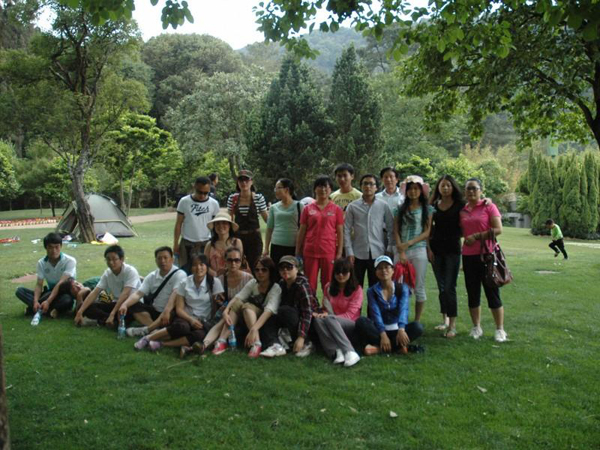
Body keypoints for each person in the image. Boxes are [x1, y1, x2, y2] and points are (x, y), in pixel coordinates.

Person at [134, 253, 224, 353]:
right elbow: (179, 309)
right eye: (195, 265)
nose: (198, 268)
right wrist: (191, 320)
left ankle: (161, 344)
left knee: (200, 335)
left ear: (207, 267)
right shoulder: (184, 283)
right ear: (191, 267)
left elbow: (217, 306)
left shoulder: (214, 282)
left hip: (203, 321)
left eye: (202, 264)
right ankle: (147, 338)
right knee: (182, 328)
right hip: (186, 316)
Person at [460, 178, 508, 342]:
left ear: (480, 190)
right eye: (468, 188)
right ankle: (476, 327)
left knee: (492, 292)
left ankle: (500, 329)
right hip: (468, 256)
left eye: (474, 188)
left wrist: (477, 236)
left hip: (487, 255)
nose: (471, 191)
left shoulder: (489, 206)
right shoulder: (463, 210)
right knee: (472, 293)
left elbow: (498, 229)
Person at [209, 256, 281, 358]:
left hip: (266, 320)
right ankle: (222, 341)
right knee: (238, 303)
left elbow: (268, 311)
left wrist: (254, 329)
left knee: (247, 306)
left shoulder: (275, 288)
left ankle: (256, 343)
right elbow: (238, 297)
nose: (260, 272)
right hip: (249, 316)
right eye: (257, 270)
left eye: (264, 270)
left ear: (270, 271)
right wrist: (226, 310)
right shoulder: (253, 283)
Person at [355, 255, 423, 355]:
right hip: (379, 331)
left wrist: (401, 329)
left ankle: (378, 349)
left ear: (393, 270)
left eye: (387, 267)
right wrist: (383, 334)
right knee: (361, 321)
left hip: (398, 330)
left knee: (418, 327)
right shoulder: (372, 291)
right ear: (376, 272)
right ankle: (398, 347)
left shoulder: (402, 288)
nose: (383, 271)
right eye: (380, 268)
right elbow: (375, 313)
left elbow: (404, 309)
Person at [118, 246, 187, 337]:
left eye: (165, 257)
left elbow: (175, 295)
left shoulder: (180, 274)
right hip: (155, 311)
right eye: (159, 258)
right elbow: (138, 294)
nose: (162, 261)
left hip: (170, 312)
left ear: (172, 259)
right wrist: (125, 304)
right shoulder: (152, 276)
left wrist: (166, 311)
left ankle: (148, 330)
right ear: (156, 261)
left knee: (178, 321)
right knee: (133, 305)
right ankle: (155, 330)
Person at [260, 256, 320, 358]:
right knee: (269, 316)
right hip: (291, 319)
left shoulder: (302, 285)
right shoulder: (281, 284)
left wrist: (301, 337)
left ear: (297, 269)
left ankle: (307, 343)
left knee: (285, 310)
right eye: (282, 268)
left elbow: (307, 313)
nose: (285, 270)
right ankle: (275, 345)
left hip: (308, 323)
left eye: (289, 267)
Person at [428, 175, 464, 338]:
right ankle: (445, 320)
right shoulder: (433, 205)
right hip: (436, 250)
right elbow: (428, 229)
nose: (445, 188)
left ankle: (452, 325)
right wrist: (428, 249)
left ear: (453, 187)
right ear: (438, 188)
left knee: (450, 287)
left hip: (453, 250)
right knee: (441, 287)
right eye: (442, 185)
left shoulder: (460, 205)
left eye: (448, 185)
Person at [394, 175, 434, 322]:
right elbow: (396, 230)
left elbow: (427, 232)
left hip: (418, 250)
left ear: (421, 191)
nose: (413, 192)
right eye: (410, 189)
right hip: (401, 250)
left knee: (419, 287)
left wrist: (409, 243)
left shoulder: (427, 209)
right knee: (398, 286)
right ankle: (399, 319)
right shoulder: (399, 209)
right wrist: (401, 249)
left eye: (416, 189)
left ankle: (416, 321)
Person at [295, 175, 344, 295]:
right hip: (310, 251)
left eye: (326, 187)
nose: (323, 189)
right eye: (320, 186)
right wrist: (297, 250)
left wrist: (339, 253)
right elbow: (302, 231)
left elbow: (340, 232)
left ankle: (327, 305)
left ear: (330, 189)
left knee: (328, 283)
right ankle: (310, 305)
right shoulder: (307, 209)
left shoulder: (336, 209)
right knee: (310, 284)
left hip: (328, 251)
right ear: (315, 189)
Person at [344, 174, 394, 288]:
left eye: (371, 184)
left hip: (378, 252)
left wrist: (390, 247)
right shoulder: (352, 206)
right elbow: (346, 229)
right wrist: (349, 251)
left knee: (376, 288)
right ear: (361, 186)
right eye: (365, 183)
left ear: (376, 187)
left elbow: (391, 228)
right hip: (357, 253)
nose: (368, 186)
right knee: (355, 287)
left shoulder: (383, 205)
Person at [202, 247, 254, 354]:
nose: (233, 263)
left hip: (243, 315)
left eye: (236, 260)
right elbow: (217, 302)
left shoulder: (248, 278)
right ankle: (207, 344)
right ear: (225, 261)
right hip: (225, 315)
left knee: (224, 320)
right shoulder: (220, 279)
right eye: (230, 260)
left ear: (241, 261)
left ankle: (207, 343)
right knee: (223, 320)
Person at [312, 258, 362, 367]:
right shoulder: (328, 287)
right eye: (337, 272)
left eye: (344, 272)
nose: (341, 275)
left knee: (330, 318)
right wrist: (321, 313)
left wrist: (330, 317)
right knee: (318, 320)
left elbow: (350, 314)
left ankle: (350, 352)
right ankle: (336, 351)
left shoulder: (357, 289)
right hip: (332, 322)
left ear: (350, 273)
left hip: (351, 323)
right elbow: (326, 308)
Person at [74, 245, 141, 327]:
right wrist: (80, 312)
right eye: (108, 259)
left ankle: (106, 320)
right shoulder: (107, 273)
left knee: (127, 311)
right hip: (114, 302)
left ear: (122, 259)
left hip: (130, 304)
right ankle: (110, 321)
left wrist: (112, 314)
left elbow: (125, 294)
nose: (111, 262)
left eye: (114, 259)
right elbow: (95, 292)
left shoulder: (130, 271)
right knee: (87, 307)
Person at [16, 232, 77, 318]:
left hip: (64, 292)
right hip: (49, 293)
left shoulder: (70, 261)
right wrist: (35, 301)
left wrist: (48, 301)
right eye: (50, 247)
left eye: (57, 247)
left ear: (61, 246)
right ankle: (47, 308)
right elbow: (39, 284)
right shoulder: (41, 263)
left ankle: (37, 308)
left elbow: (60, 284)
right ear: (46, 247)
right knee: (20, 291)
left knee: (67, 299)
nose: (54, 251)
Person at [174, 176, 220, 272]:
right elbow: (178, 224)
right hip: (187, 242)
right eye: (200, 192)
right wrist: (175, 243)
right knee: (185, 271)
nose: (202, 195)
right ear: (194, 187)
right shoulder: (184, 202)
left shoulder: (214, 204)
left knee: (204, 271)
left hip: (206, 243)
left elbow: (216, 226)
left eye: (205, 193)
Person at [227, 170, 269, 270]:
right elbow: (229, 219)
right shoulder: (233, 198)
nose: (244, 183)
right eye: (241, 180)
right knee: (237, 266)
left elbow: (267, 219)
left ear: (251, 181)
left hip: (254, 238)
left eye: (246, 180)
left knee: (255, 266)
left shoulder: (258, 198)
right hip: (238, 238)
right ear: (237, 182)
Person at [263, 178, 304, 266]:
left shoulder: (299, 206)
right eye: (275, 188)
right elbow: (269, 229)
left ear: (287, 189)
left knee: (291, 271)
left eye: (278, 188)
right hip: (276, 245)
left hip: (293, 246)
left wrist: (300, 248)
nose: (275, 191)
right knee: (276, 270)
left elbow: (303, 228)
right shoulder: (273, 207)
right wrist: (266, 248)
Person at [203, 210, 244, 277]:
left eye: (224, 223)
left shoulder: (237, 242)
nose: (221, 226)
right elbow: (205, 264)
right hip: (214, 278)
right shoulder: (209, 245)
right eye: (217, 224)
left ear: (229, 226)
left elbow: (239, 262)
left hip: (233, 277)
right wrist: (215, 275)